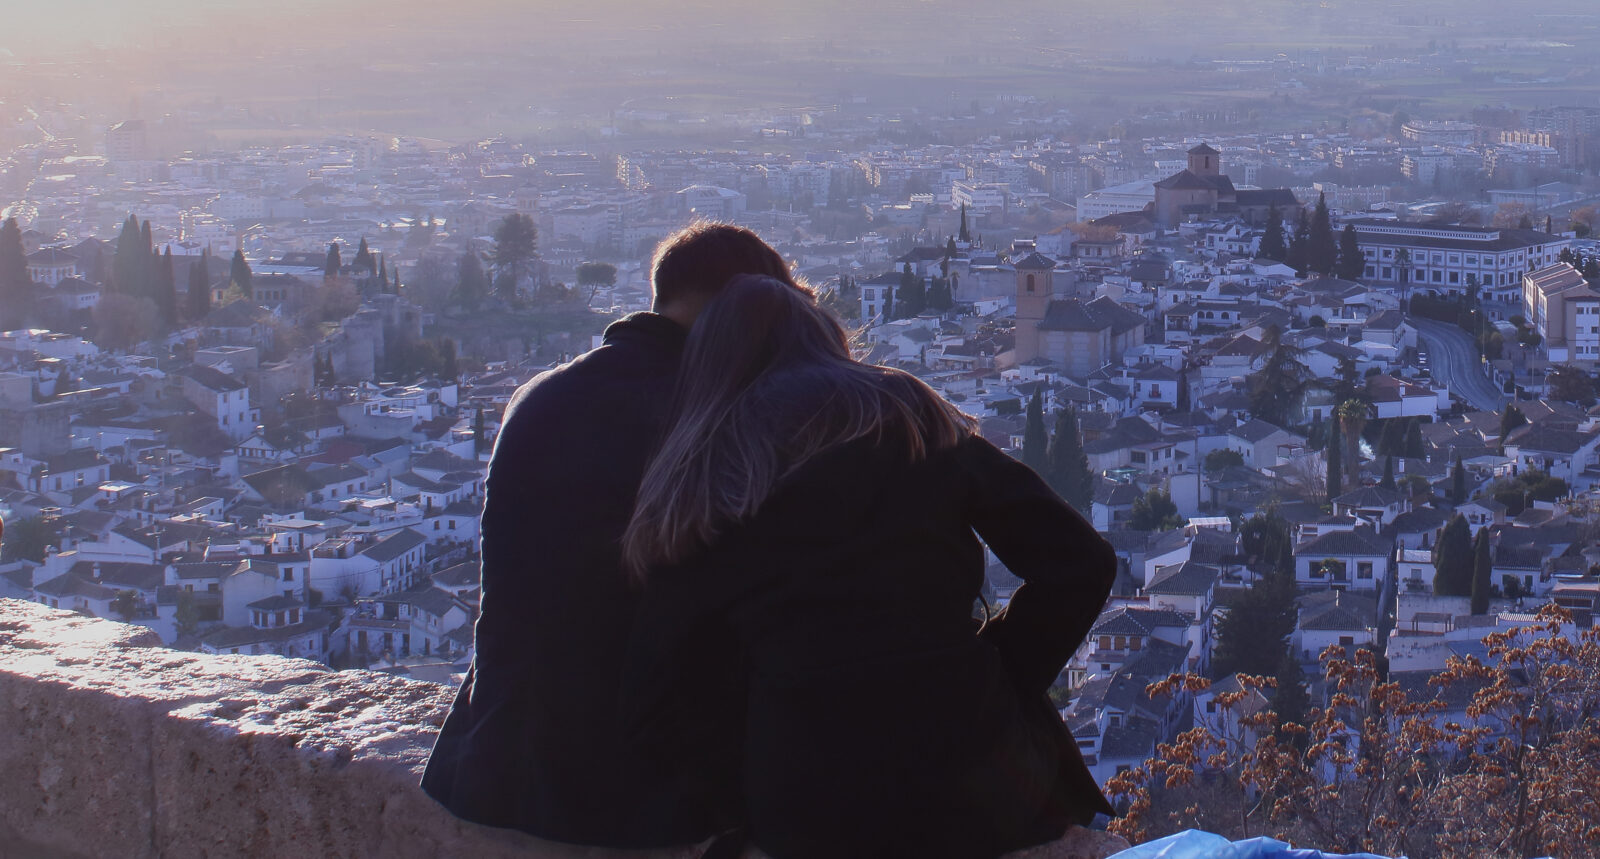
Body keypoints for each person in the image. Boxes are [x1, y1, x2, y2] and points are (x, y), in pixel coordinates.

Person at [621, 273, 1118, 859]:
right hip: (977, 783)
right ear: (822, 338)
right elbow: (1080, 562)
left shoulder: (700, 467)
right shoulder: (907, 415)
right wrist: (995, 672)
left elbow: (666, 671)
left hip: (806, 804)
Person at [423, 221, 792, 846]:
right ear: (745, 307)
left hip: (498, 763)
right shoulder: (717, 413)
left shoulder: (539, 395)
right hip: (643, 793)